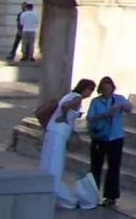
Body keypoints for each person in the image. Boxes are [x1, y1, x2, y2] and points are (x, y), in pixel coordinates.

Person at [38, 77, 94, 208]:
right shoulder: (77, 98)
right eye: (90, 90)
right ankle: (63, 197)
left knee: (48, 161)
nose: (90, 94)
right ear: (85, 89)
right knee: (55, 164)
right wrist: (64, 115)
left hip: (53, 130)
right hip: (59, 133)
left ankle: (48, 191)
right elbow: (65, 106)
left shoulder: (69, 95)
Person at [86, 77, 132, 208]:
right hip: (100, 137)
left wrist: (121, 104)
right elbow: (90, 118)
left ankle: (110, 196)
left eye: (109, 89)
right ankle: (92, 194)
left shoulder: (118, 98)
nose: (107, 92)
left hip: (115, 137)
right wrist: (104, 115)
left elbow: (130, 108)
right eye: (104, 89)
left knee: (113, 167)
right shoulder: (96, 102)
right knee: (96, 166)